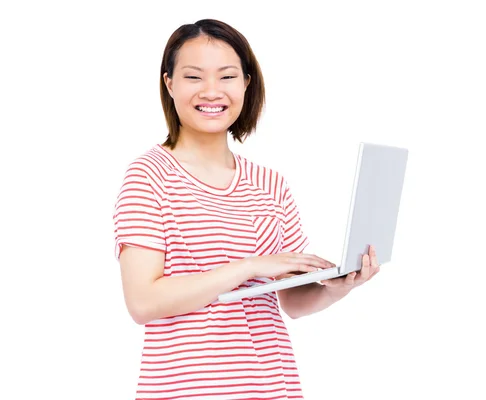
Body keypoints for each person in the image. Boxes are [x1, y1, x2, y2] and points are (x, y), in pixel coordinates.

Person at [113, 18, 380, 400]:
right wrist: (251, 266)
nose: (211, 91)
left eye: (226, 76)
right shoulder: (149, 176)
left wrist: (339, 287)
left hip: (274, 387)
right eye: (193, 77)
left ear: (246, 84)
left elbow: (293, 301)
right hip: (188, 391)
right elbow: (142, 302)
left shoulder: (270, 184)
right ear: (169, 83)